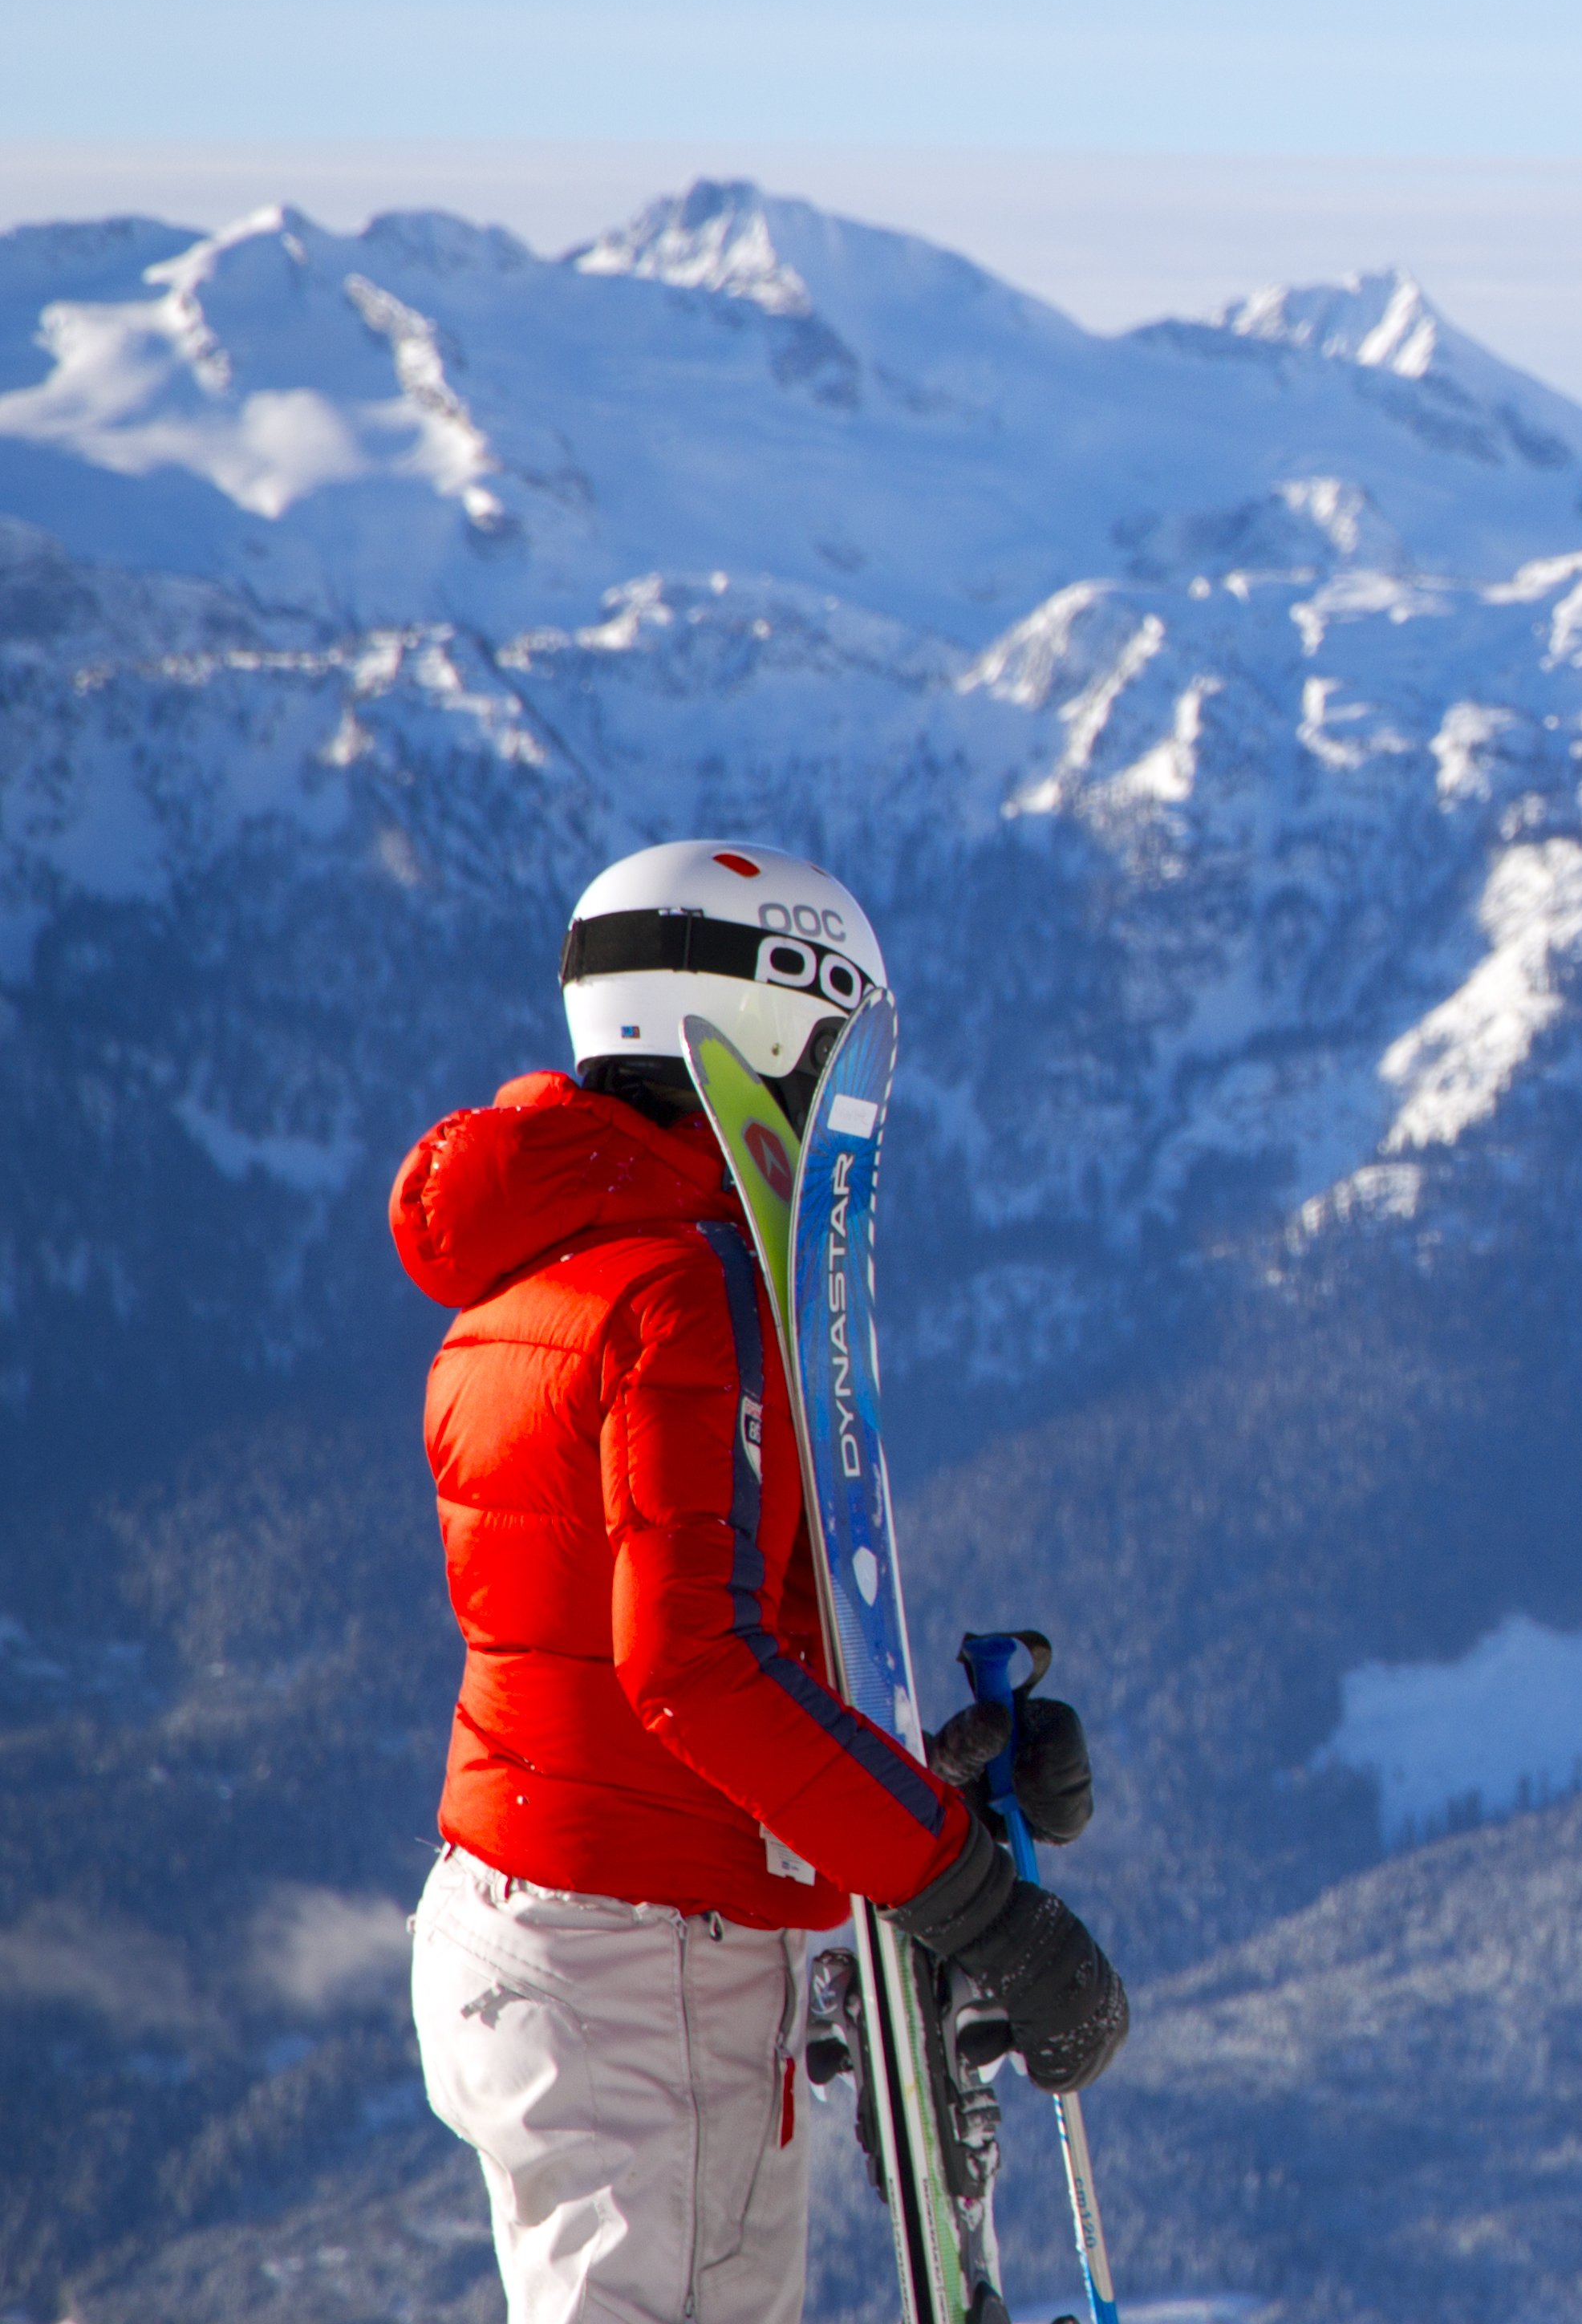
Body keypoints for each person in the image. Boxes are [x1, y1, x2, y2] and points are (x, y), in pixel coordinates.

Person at [391, 838, 1126, 2324]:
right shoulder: (681, 1290)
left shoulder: (547, 1266)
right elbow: (694, 1670)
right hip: (639, 1966)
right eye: (842, 1049)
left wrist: (922, 1771)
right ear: (766, 1028)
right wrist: (970, 1899)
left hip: (547, 1915)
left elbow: (627, 1647)